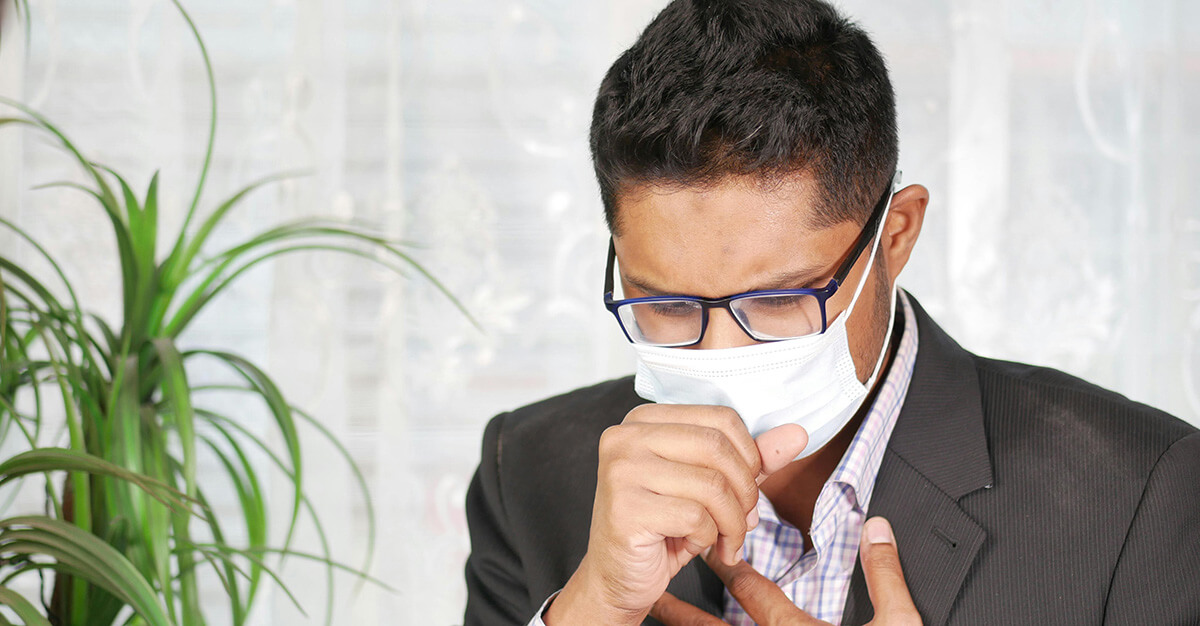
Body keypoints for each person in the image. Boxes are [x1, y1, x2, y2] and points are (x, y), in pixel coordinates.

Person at [463, 1, 1200, 624]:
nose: (719, 355)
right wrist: (587, 610)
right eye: (665, 304)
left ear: (897, 235)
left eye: (780, 299)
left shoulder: (1139, 496)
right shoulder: (526, 469)